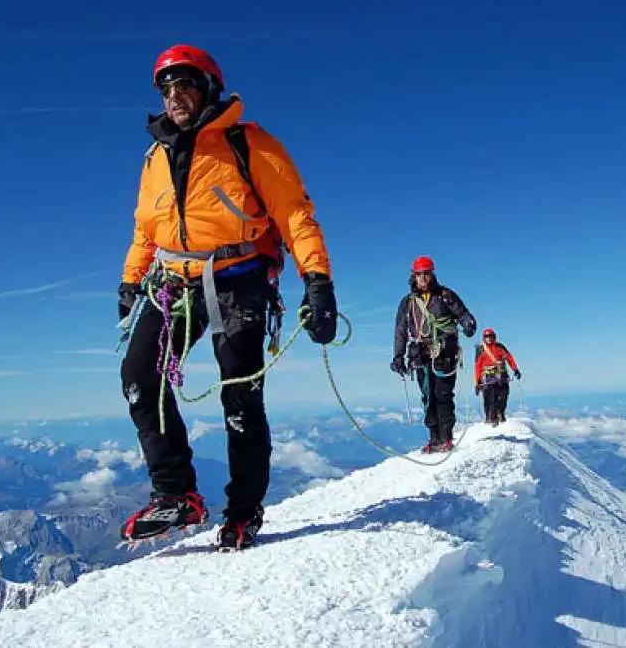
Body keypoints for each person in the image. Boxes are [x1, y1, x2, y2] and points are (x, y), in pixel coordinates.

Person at [117, 44, 337, 551]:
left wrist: (317, 281)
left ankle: (243, 512)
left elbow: (295, 214)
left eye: (185, 84)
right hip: (173, 282)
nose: (175, 96)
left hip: (238, 279)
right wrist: (131, 281)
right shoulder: (155, 157)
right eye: (166, 88)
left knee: (239, 394)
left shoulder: (248, 143)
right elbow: (145, 231)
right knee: (138, 376)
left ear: (209, 87)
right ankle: (175, 494)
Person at [391, 256, 476, 452]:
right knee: (427, 396)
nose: (423, 278)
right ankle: (434, 438)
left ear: (432, 274)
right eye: (419, 274)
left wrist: (468, 323)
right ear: (414, 276)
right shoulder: (408, 303)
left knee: (443, 395)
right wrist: (398, 356)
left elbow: (462, 314)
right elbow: (400, 330)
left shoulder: (445, 296)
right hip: (420, 355)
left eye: (426, 273)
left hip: (445, 353)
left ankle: (446, 438)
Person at [474, 328, 521, 426]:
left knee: (504, 395)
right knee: (490, 397)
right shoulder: (481, 349)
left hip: (502, 375)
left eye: (490, 336)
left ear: (494, 337)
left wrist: (515, 369)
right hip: (488, 377)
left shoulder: (500, 347)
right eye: (487, 337)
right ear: (484, 338)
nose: (489, 339)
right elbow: (478, 366)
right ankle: (491, 417)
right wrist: (477, 381)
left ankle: (500, 413)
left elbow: (509, 358)